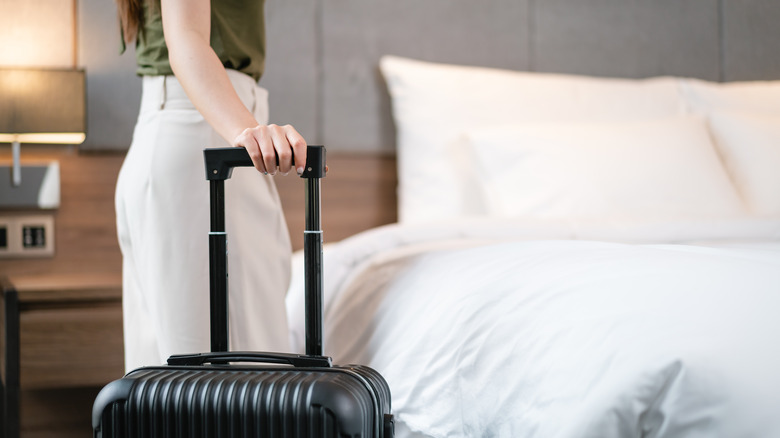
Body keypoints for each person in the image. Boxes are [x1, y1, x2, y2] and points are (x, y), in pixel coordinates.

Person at [114, 0, 304, 371]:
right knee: (240, 384)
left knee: (179, 383)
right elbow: (185, 36)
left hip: (197, 131)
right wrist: (249, 133)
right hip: (207, 136)